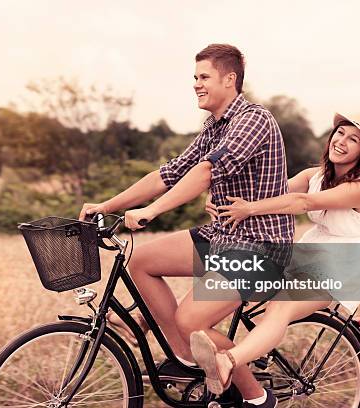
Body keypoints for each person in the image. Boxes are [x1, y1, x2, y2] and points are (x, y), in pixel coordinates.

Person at [79, 43, 294, 407]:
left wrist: (153, 211)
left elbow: (207, 172)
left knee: (192, 319)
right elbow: (169, 173)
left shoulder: (254, 120)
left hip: (260, 247)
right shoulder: (213, 126)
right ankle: (188, 359)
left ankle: (257, 398)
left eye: (204, 77)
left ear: (230, 79)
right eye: (194, 77)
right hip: (224, 236)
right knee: (142, 262)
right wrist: (108, 204)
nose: (196, 84)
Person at [190, 110, 360, 406]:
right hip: (308, 255)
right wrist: (219, 195)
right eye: (340, 133)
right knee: (234, 273)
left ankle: (229, 360)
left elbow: (302, 202)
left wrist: (250, 210)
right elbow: (266, 190)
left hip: (342, 267)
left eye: (353, 139)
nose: (342, 141)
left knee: (281, 305)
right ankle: (160, 324)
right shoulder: (314, 176)